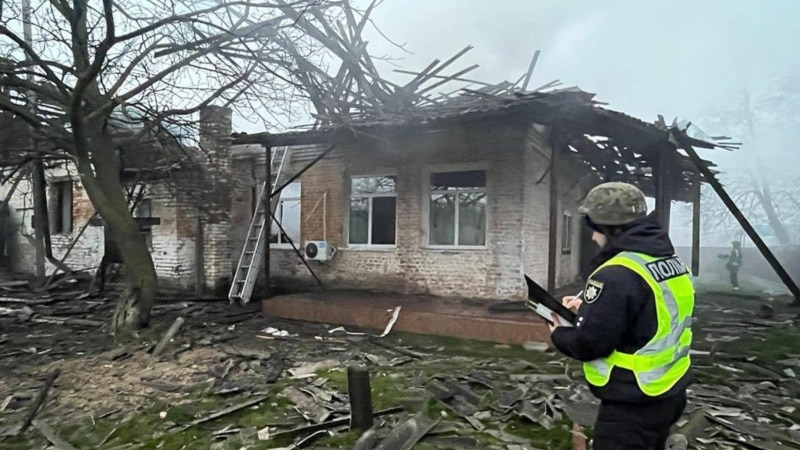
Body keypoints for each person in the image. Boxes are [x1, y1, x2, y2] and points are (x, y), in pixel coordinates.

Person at [549, 182, 694, 450]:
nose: (593, 237)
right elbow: (650, 314)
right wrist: (589, 309)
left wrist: (559, 332)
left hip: (632, 404)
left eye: (594, 228)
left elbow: (590, 343)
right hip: (669, 391)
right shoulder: (670, 262)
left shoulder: (616, 273)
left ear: (607, 227)